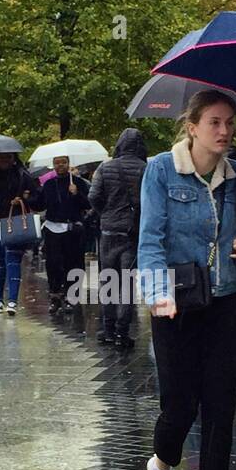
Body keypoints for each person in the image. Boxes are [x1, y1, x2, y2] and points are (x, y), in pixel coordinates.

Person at [137, 90, 236, 470]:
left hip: (225, 299)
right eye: (214, 123)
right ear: (192, 125)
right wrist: (158, 293)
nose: (224, 131)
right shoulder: (161, 170)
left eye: (229, 123)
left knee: (221, 404)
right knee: (180, 404)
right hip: (176, 302)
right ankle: (161, 463)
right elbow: (150, 239)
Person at [90, 128, 148, 348]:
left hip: (108, 232)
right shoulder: (146, 169)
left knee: (107, 281)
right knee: (126, 283)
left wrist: (105, 213)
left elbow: (93, 196)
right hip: (132, 233)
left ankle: (107, 329)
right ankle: (122, 333)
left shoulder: (105, 168)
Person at [0, 152, 42, 317]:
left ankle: (12, 301)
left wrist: (24, 199)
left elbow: (37, 199)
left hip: (15, 224)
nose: (5, 160)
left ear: (13, 158)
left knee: (12, 261)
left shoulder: (23, 175)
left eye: (8, 157)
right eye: (2, 157)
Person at [40, 154, 91, 316]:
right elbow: (40, 203)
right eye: (57, 163)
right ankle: (55, 295)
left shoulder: (78, 183)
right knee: (53, 264)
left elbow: (88, 204)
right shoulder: (48, 184)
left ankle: (71, 296)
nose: (60, 165)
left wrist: (76, 194)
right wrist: (28, 198)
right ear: (53, 165)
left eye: (63, 162)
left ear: (69, 164)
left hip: (73, 229)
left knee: (73, 263)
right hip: (52, 229)